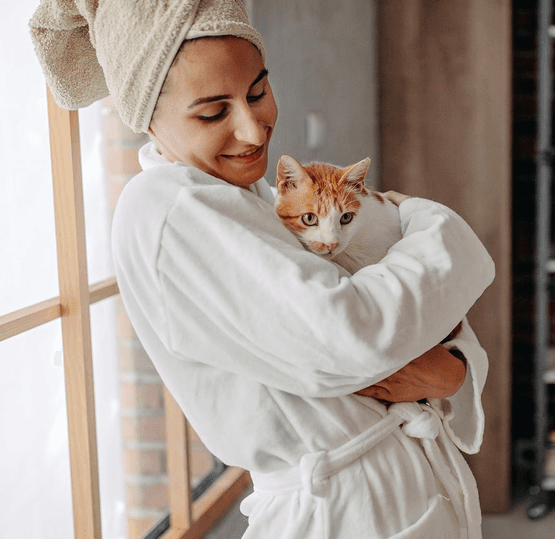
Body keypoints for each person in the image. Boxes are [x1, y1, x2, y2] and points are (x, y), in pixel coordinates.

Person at [31, 1, 495, 537]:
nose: (254, 131)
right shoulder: (168, 209)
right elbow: (355, 334)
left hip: (394, 478)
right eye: (212, 113)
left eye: (257, 93)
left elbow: (414, 324)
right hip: (343, 508)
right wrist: (437, 226)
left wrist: (455, 371)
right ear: (148, 118)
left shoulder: (258, 198)